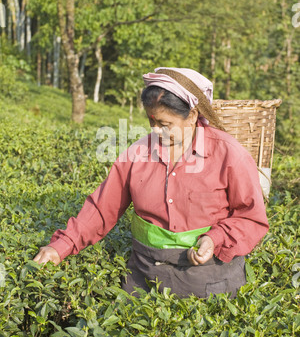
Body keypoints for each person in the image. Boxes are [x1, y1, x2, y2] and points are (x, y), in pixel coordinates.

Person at [34, 67, 269, 298]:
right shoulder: (137, 153)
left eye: (165, 124)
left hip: (210, 279)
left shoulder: (229, 154)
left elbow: (251, 218)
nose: (156, 131)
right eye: (151, 122)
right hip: (145, 278)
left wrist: (214, 238)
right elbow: (101, 209)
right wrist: (62, 245)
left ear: (192, 116)